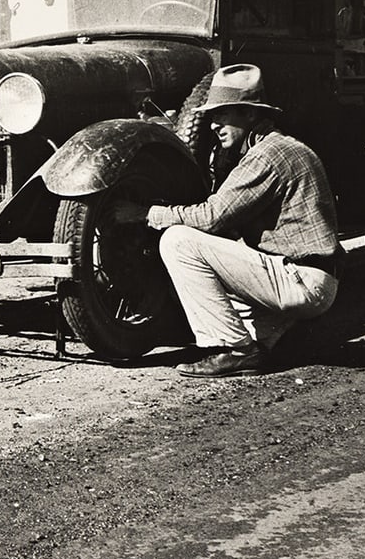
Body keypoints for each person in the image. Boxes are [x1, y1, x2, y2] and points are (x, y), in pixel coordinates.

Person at [129, 64, 341, 377]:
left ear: (250, 114)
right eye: (212, 116)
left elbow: (212, 217)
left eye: (222, 114)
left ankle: (236, 350)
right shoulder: (283, 147)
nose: (213, 125)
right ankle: (274, 334)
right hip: (309, 277)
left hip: (301, 281)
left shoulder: (268, 155)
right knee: (204, 277)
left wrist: (147, 214)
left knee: (178, 242)